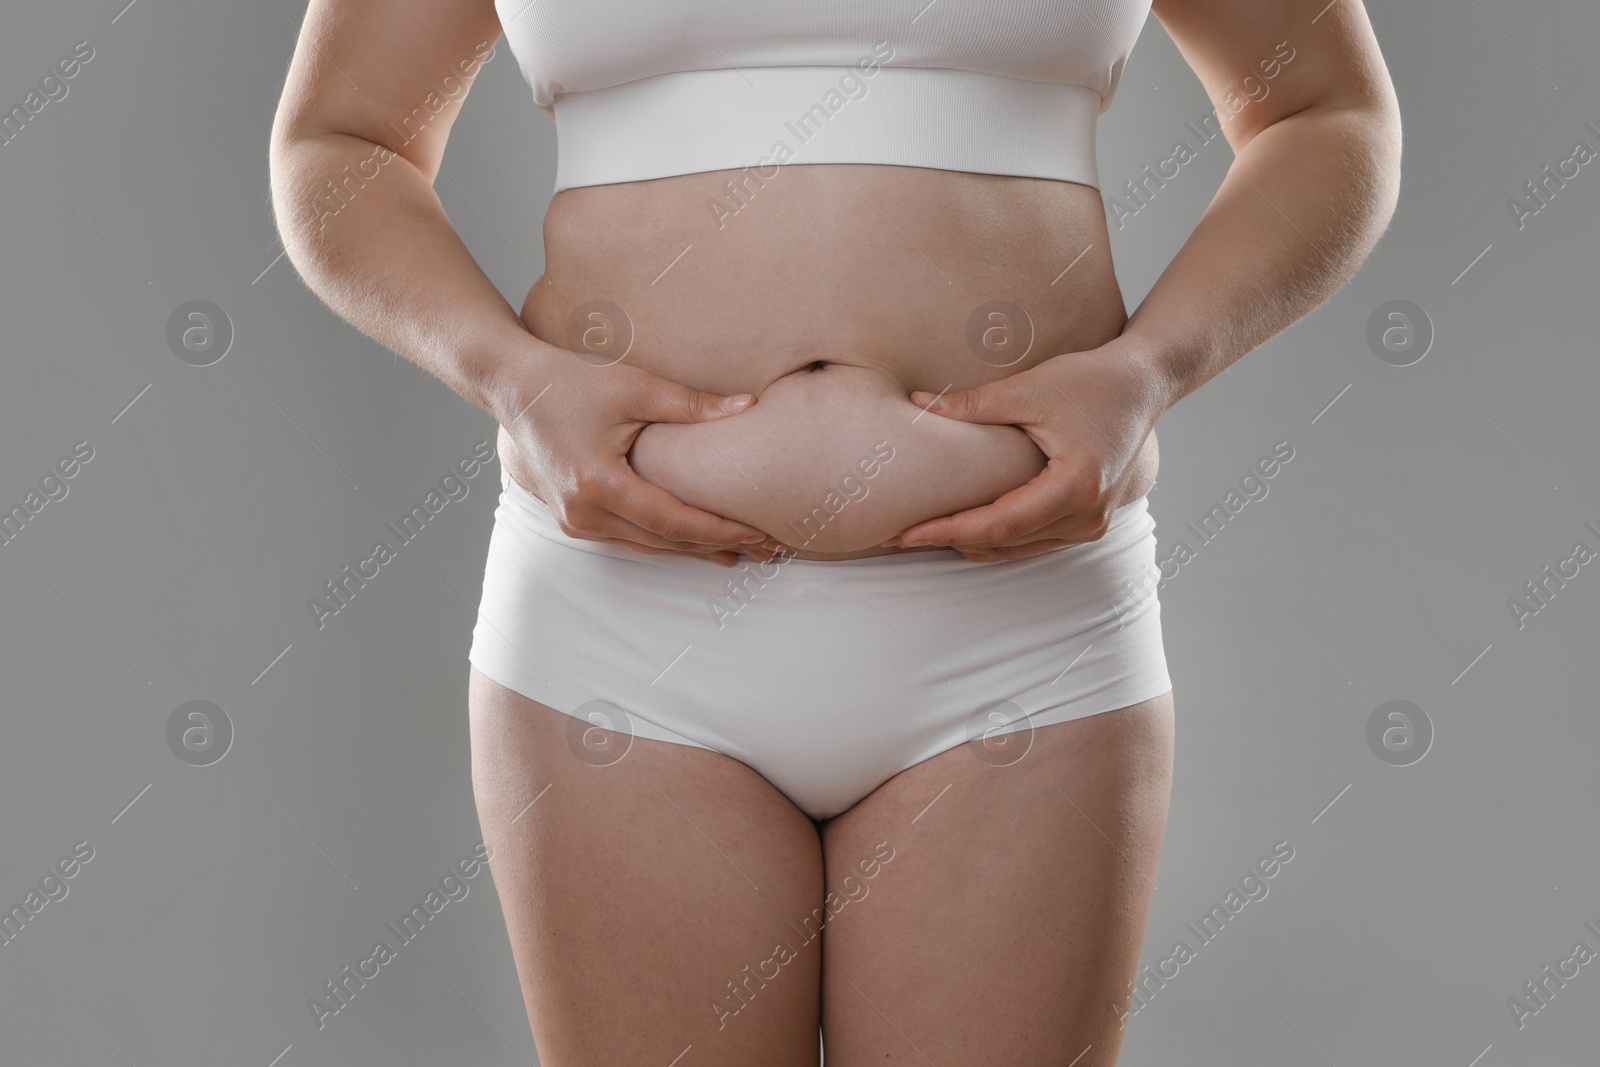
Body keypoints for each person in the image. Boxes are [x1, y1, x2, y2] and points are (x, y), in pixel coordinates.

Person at [269, 1, 1400, 1062]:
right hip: (623, 635)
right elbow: (340, 137)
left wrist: (1153, 368)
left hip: (1016, 632)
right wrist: (507, 376)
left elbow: (1324, 111)